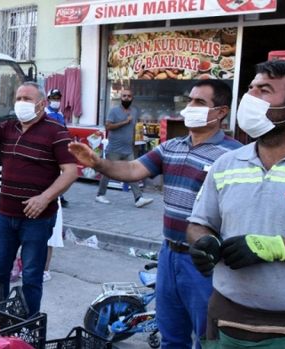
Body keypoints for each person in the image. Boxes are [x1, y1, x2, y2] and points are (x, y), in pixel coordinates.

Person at [69, 80, 241, 348]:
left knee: (207, 338)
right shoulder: (171, 147)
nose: (190, 107)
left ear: (220, 112)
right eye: (190, 101)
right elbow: (133, 170)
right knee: (171, 336)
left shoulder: (234, 155)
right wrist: (98, 163)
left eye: (200, 102)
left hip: (204, 263)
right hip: (169, 255)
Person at [187, 60, 285, 349]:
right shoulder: (226, 163)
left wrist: (277, 247)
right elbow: (199, 222)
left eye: (264, 90)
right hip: (225, 316)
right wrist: (203, 240)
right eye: (250, 89)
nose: (250, 98)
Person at [0, 82, 78, 315]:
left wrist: (44, 198)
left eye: (27, 99)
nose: (21, 103)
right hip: (6, 216)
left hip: (37, 219)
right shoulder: (9, 127)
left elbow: (71, 172)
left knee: (31, 275)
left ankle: (28, 324)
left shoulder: (56, 131)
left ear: (42, 103)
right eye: (18, 98)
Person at [94, 88, 154, 208]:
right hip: (114, 148)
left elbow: (134, 128)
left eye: (129, 96)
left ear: (132, 98)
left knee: (132, 172)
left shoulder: (134, 111)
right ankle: (100, 195)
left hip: (128, 148)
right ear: (120, 98)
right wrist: (125, 122)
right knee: (107, 171)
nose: (126, 98)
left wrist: (138, 138)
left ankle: (138, 198)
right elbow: (108, 126)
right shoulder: (114, 111)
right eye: (124, 96)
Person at [45, 88, 69, 209]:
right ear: (48, 99)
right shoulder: (44, 113)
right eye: (54, 98)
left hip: (59, 147)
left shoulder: (60, 114)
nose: (56, 101)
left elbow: (64, 129)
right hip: (48, 147)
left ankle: (60, 195)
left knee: (61, 172)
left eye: (58, 99)